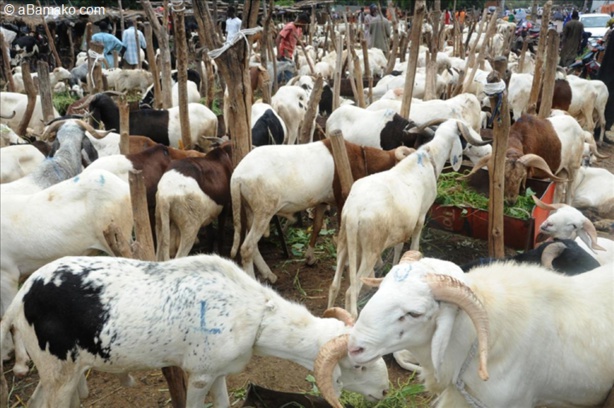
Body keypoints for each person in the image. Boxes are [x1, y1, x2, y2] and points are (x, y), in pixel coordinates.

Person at [275, 13, 309, 84]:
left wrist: (302, 43)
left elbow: (295, 41)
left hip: (290, 55)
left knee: (280, 73)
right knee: (289, 75)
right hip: (284, 54)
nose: (304, 26)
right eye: (304, 23)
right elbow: (278, 38)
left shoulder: (299, 29)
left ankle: (275, 86)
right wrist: (278, 53)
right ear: (301, 21)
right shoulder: (290, 27)